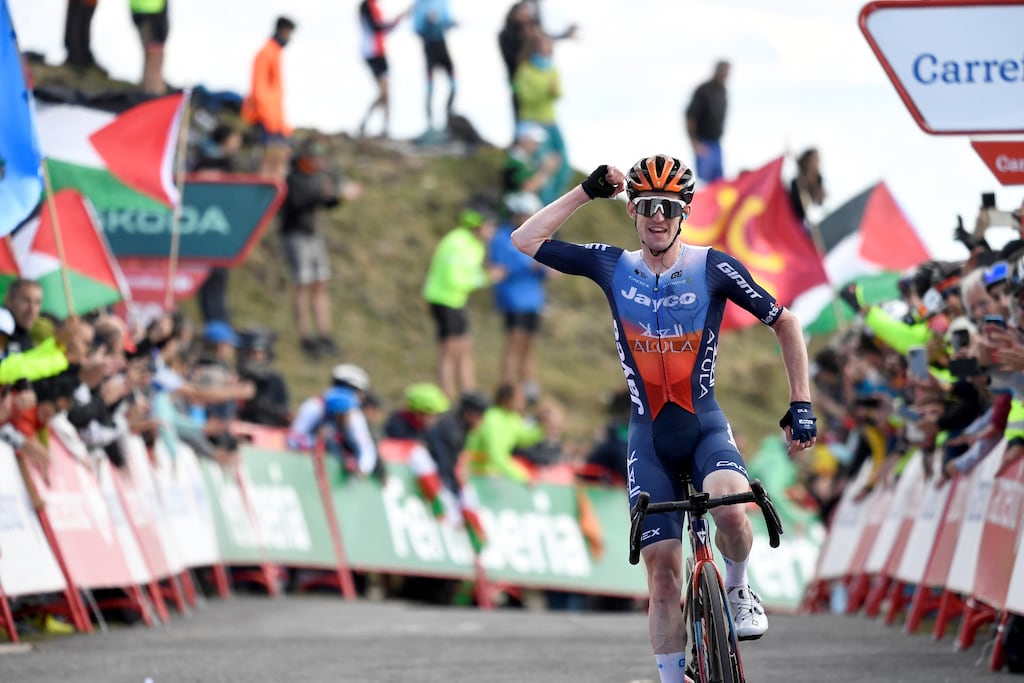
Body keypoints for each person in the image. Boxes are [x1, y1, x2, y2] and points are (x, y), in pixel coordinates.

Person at [509, 156, 817, 682]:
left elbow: (784, 321)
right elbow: (525, 240)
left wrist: (801, 404)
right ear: (633, 210)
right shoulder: (612, 265)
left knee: (732, 510)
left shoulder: (712, 266)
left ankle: (739, 589)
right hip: (648, 436)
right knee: (665, 581)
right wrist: (584, 193)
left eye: (668, 208)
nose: (657, 217)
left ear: (684, 213)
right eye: (648, 206)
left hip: (704, 425)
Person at [279, 138, 358, 360]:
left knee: (321, 283)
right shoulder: (293, 174)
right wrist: (323, 193)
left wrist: (339, 196)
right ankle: (305, 336)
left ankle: (325, 335)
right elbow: (297, 201)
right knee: (302, 285)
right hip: (295, 235)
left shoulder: (318, 175)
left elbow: (325, 203)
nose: (318, 162)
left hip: (312, 235)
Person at [421, 201, 503, 399]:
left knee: (464, 347)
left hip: (456, 300)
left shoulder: (476, 245)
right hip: (443, 299)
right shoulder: (456, 242)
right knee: (449, 350)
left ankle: (468, 393)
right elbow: (455, 279)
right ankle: (446, 394)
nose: (492, 230)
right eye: (489, 226)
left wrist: (482, 278)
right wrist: (486, 278)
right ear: (477, 225)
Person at [489, 191, 550, 401]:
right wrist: (533, 264)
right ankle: (507, 388)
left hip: (533, 299)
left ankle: (528, 389)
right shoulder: (501, 236)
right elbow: (503, 265)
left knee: (529, 343)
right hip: (513, 297)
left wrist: (543, 266)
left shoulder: (535, 236)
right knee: (514, 342)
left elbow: (545, 268)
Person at [513, 34, 569, 205]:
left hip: (551, 122)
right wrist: (546, 92)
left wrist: (551, 91)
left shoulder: (552, 69)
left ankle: (555, 203)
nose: (547, 48)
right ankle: (543, 207)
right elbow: (524, 97)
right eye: (544, 44)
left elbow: (558, 94)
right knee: (543, 166)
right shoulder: (525, 70)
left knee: (563, 165)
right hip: (532, 123)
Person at [241, 16, 296, 181]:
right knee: (269, 159)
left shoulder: (275, 53)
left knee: (279, 159)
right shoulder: (266, 53)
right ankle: (264, 197)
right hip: (267, 119)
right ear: (284, 30)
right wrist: (269, 119)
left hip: (275, 121)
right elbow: (259, 88)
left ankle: (273, 196)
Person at [357, 0, 409, 138]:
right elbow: (377, 27)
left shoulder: (376, 7)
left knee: (386, 93)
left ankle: (384, 128)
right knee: (384, 92)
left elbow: (384, 30)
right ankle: (366, 123)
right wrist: (396, 19)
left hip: (380, 52)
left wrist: (398, 20)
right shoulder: (366, 5)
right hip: (372, 53)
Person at [412, 0, 456, 133]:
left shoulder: (443, 2)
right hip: (429, 46)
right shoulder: (418, 4)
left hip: (442, 45)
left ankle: (449, 117)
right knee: (430, 87)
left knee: (453, 84)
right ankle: (430, 125)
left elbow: (447, 20)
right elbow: (416, 28)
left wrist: (447, 23)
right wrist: (427, 21)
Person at [685, 60, 730, 184]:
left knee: (719, 183)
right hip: (703, 143)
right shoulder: (703, 90)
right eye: (724, 72)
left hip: (716, 144)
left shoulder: (723, 91)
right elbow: (690, 115)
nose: (726, 76)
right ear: (717, 71)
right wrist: (694, 142)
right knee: (706, 183)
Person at [383, 381, 451, 440]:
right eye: (432, 415)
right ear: (418, 415)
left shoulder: (424, 428)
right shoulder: (398, 430)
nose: (435, 420)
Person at [129, 0, 169, 95]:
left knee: (154, 55)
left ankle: (153, 94)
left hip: (153, 8)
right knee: (155, 55)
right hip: (148, 9)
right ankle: (154, 96)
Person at [789, 147, 826, 225]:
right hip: (793, 219)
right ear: (807, 162)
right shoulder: (796, 182)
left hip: (807, 219)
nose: (818, 161)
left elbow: (819, 202)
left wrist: (820, 195)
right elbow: (794, 205)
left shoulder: (818, 178)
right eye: (815, 159)